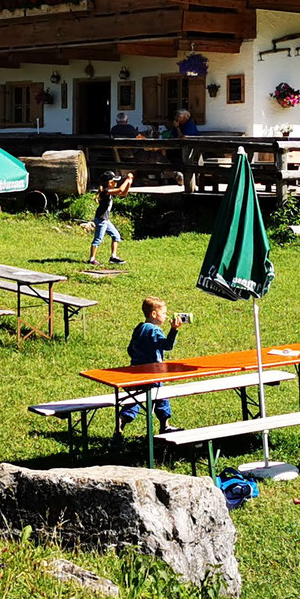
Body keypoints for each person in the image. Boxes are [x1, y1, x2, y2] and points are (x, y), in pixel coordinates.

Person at [120, 297, 187, 437]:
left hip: (136, 373)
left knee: (134, 401)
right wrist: (174, 329)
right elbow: (167, 345)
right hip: (153, 374)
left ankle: (119, 425)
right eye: (164, 313)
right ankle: (165, 426)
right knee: (162, 398)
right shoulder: (154, 331)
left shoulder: (139, 328)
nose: (166, 316)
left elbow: (130, 349)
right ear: (154, 314)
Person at [88, 171, 131, 267]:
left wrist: (129, 182)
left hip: (106, 220)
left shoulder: (110, 191)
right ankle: (92, 259)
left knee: (116, 236)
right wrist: (127, 180)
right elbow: (120, 190)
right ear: (108, 182)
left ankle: (113, 257)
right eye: (114, 181)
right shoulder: (105, 191)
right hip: (101, 219)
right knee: (98, 239)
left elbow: (123, 193)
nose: (115, 183)